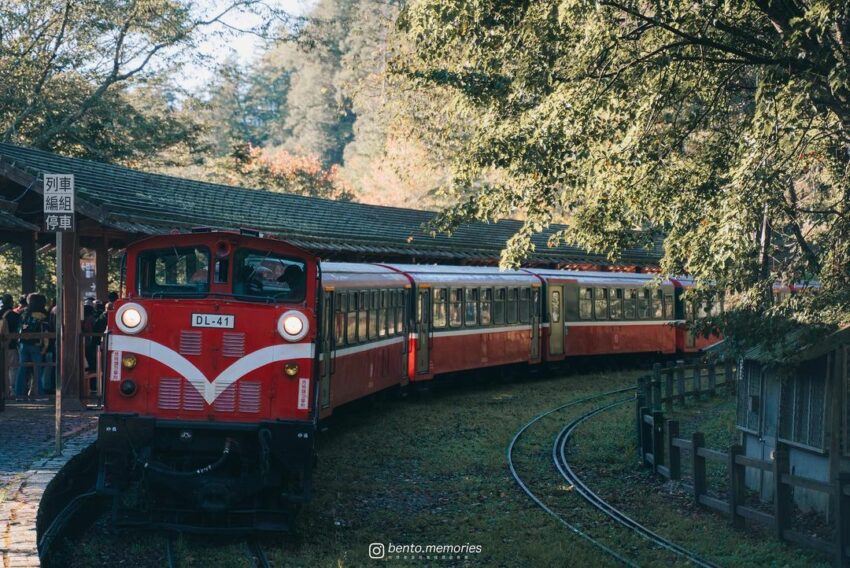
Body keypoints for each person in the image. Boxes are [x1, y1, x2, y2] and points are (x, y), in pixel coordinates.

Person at [15, 293, 48, 400]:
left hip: (23, 344)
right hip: (36, 344)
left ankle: (19, 394)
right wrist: (45, 346)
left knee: (22, 369)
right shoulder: (42, 314)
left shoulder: (24, 313)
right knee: (37, 370)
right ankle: (38, 394)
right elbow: (45, 330)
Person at [0, 294, 20, 399]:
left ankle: (2, 389)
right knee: (12, 368)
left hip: (0, 345)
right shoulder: (14, 316)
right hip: (11, 345)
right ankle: (11, 390)